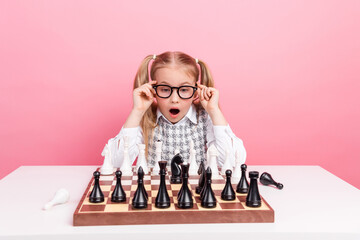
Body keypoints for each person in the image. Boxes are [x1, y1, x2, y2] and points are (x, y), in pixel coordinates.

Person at [106, 51, 246, 168]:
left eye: (184, 89)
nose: (174, 99)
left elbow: (234, 163)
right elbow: (115, 164)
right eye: (165, 89)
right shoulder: (145, 118)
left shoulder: (205, 118)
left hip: (195, 196)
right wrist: (137, 111)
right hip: (155, 195)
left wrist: (214, 111)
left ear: (196, 90)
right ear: (153, 89)